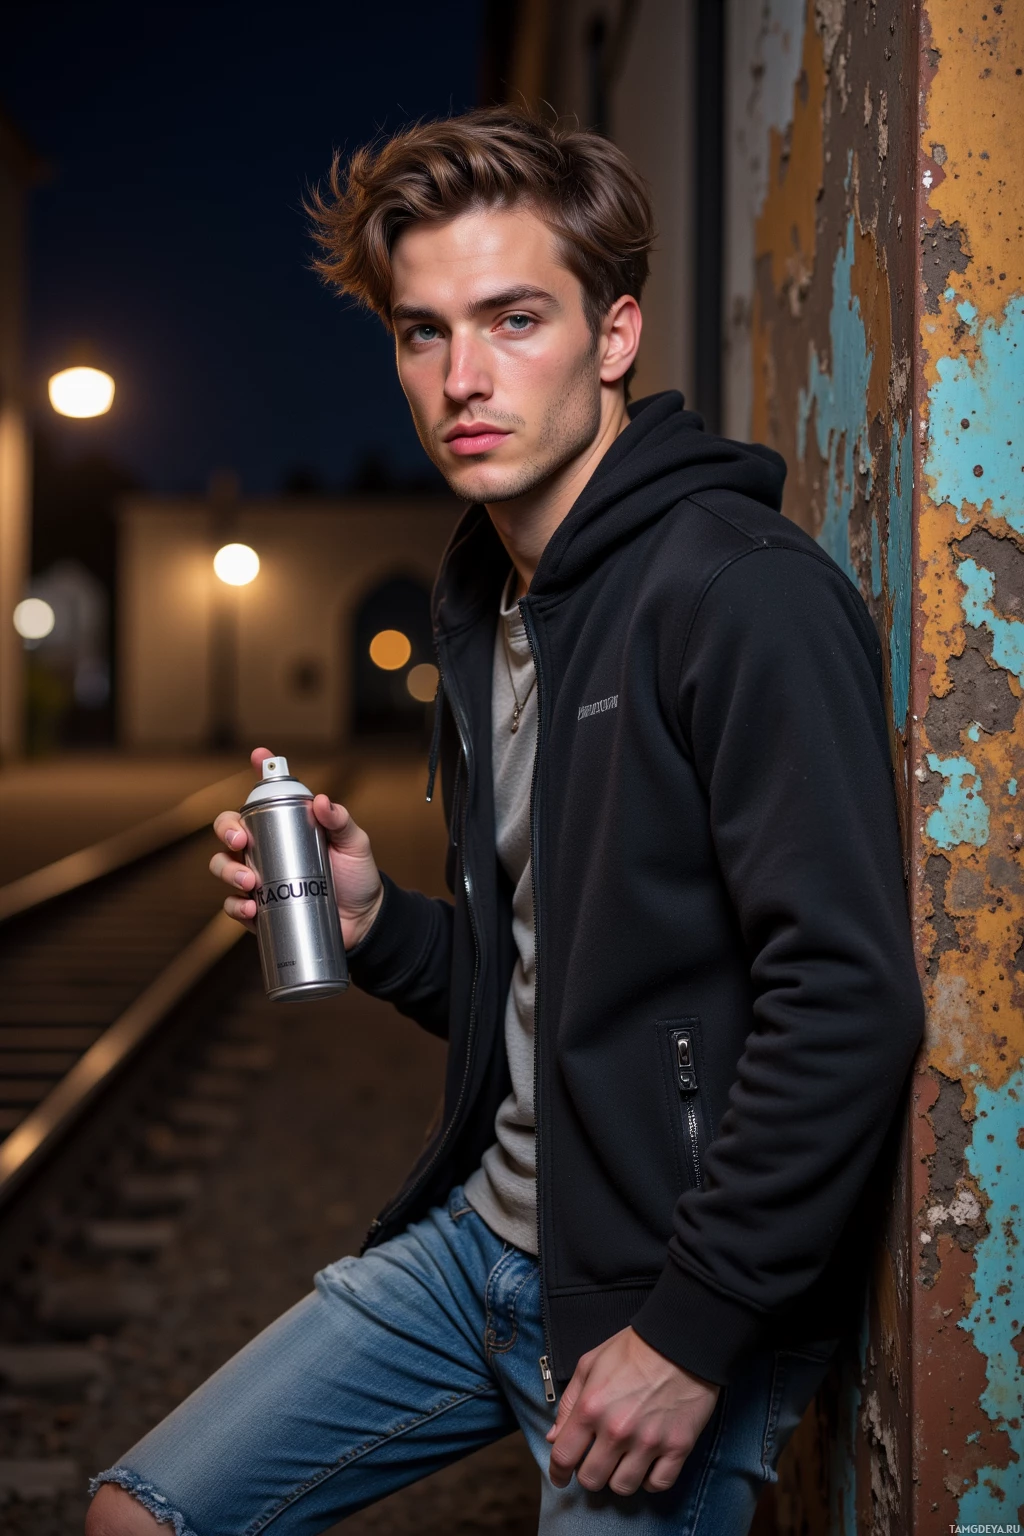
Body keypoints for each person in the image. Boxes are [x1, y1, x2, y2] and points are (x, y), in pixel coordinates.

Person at [88, 107, 924, 1535]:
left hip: (660, 1297)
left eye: (514, 319)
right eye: (423, 333)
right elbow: (564, 977)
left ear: (615, 337)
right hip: (488, 1237)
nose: (462, 378)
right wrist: (377, 928)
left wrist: (692, 1331)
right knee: (137, 1517)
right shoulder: (492, 606)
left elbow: (849, 998)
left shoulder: (741, 596)